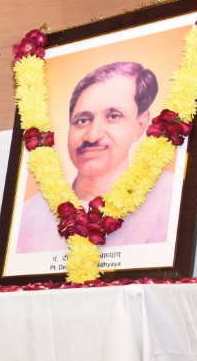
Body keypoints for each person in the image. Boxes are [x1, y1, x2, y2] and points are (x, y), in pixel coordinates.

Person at [16, 61, 172, 253]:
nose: (92, 135)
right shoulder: (28, 215)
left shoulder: (169, 203)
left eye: (113, 116)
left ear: (140, 126)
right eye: (82, 120)